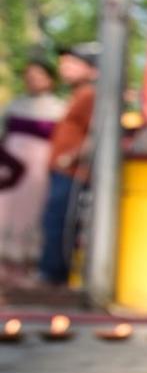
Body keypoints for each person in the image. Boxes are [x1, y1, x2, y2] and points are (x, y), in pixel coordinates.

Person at [38, 44, 99, 285]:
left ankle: (53, 276)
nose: (65, 67)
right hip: (61, 169)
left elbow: (95, 134)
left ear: (92, 70)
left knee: (59, 221)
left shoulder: (90, 95)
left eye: (73, 63)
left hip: (72, 171)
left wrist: (72, 156)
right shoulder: (77, 94)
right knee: (54, 219)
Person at [0, 58, 66, 275]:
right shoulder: (15, 104)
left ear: (50, 80)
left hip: (38, 169)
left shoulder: (58, 108)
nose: (33, 81)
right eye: (29, 77)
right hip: (10, 166)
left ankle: (28, 266)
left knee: (33, 212)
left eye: (38, 77)